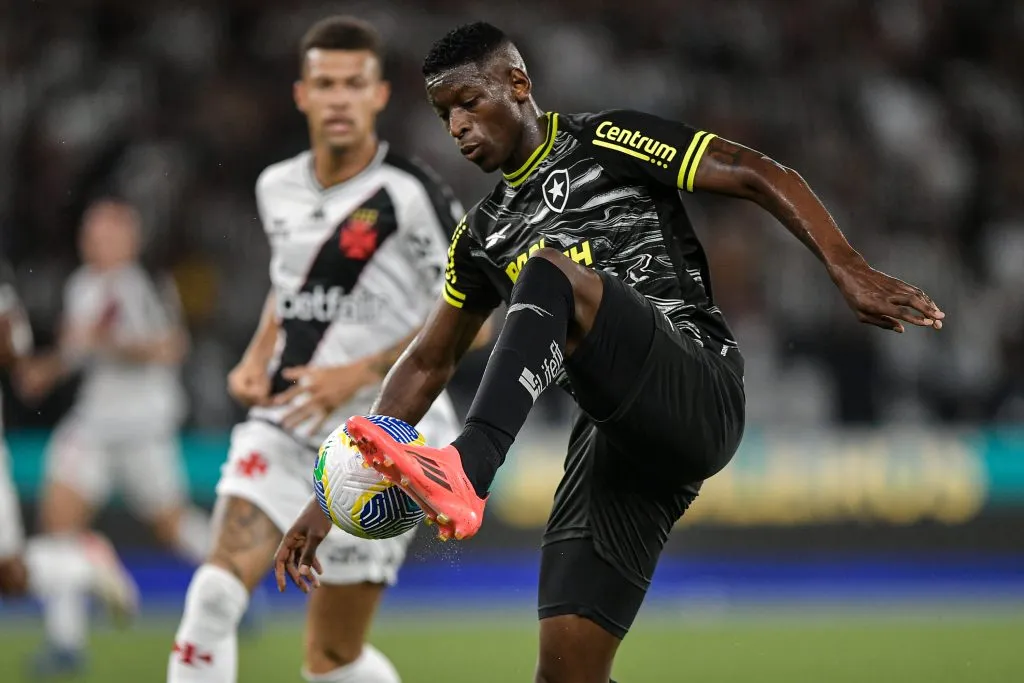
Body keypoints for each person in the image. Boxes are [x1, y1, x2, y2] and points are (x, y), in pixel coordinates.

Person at [275, 21, 946, 683]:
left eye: (468, 102)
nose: (457, 128)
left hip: (698, 385)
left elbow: (751, 170)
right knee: (566, 672)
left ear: (517, 84)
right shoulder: (480, 235)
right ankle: (465, 471)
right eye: (443, 114)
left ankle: (469, 468)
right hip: (616, 443)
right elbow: (427, 362)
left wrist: (846, 265)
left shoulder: (606, 141)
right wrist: (330, 497)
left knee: (550, 271)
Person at [167, 16, 479, 683]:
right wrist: (258, 353)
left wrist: (358, 375)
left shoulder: (413, 194)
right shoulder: (275, 186)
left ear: (379, 96)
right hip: (287, 421)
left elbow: (477, 317)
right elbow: (290, 283)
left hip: (384, 441)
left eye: (353, 83)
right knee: (214, 596)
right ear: (302, 94)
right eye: (325, 83)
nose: (339, 97)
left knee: (331, 658)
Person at [16, 198, 208, 675]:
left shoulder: (143, 285)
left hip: (144, 427)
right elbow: (81, 347)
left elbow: (170, 347)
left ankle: (233, 582)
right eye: (90, 231)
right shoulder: (83, 286)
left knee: (169, 526)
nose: (94, 240)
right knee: (58, 519)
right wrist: (47, 368)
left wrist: (112, 343)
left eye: (106, 233)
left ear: (129, 239)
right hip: (95, 423)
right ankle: (66, 642)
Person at [0, 259, 139, 679]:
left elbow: (13, 343)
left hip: (129, 419)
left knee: (9, 574)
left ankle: (81, 562)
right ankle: (81, 562)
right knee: (9, 576)